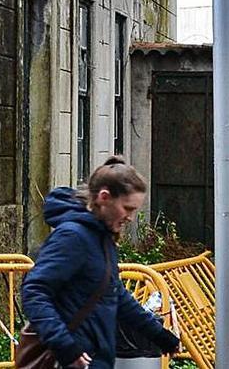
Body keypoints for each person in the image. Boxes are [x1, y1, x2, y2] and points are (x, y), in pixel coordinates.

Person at [21, 156, 181, 369]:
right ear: (104, 197)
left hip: (93, 358)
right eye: (128, 208)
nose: (131, 218)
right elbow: (34, 291)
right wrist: (65, 346)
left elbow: (115, 295)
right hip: (71, 360)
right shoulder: (73, 237)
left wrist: (159, 335)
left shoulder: (101, 237)